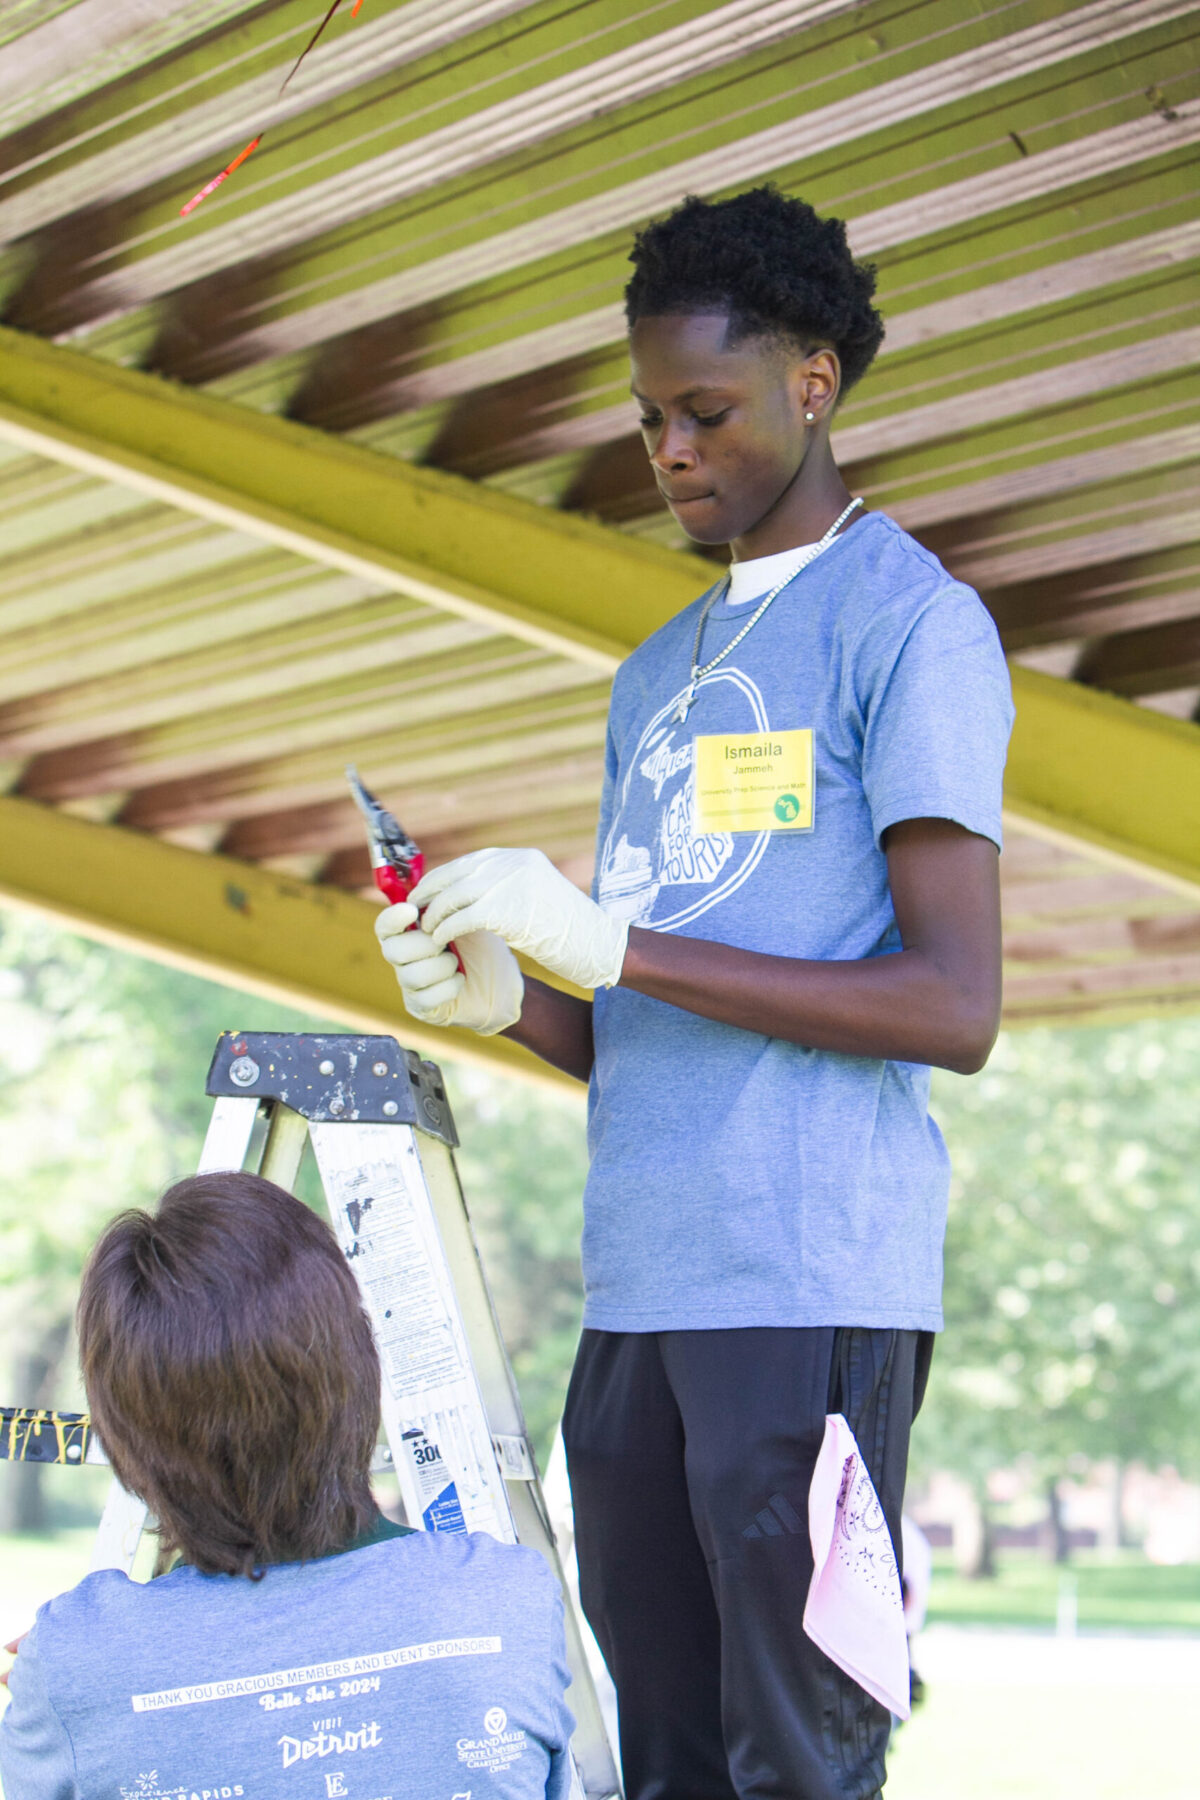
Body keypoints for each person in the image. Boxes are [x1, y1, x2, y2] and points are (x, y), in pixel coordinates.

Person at [375, 185, 1013, 1800]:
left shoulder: (912, 627)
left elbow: (954, 1004)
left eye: (706, 411)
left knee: (798, 1760)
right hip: (638, 1293)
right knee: (658, 1759)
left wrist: (616, 945)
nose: (669, 450)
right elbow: (640, 1032)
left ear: (815, 383)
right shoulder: (652, 680)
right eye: (651, 416)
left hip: (806, 1289)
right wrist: (502, 994)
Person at [0, 1172, 574, 1799]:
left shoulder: (72, 1662)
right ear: (357, 1367)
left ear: (121, 1434)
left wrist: (81, 1677)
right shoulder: (506, 1598)